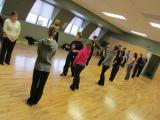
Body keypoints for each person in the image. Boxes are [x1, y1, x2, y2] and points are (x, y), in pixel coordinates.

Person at [26, 27, 58, 106]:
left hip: (38, 66)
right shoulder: (56, 45)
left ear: (48, 32)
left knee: (34, 83)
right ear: (55, 34)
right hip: (47, 68)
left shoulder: (41, 42)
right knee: (41, 85)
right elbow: (52, 55)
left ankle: (31, 100)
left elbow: (38, 52)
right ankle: (36, 100)